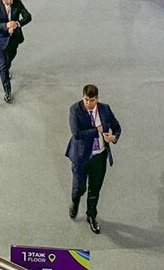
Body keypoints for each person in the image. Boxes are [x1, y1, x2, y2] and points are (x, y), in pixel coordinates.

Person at [65, 83, 120, 234]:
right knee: (79, 188)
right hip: (81, 157)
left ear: (97, 99)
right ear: (82, 97)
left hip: (99, 157)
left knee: (95, 189)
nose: (88, 103)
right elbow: (77, 134)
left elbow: (117, 126)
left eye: (92, 100)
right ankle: (75, 201)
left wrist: (114, 137)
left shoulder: (105, 109)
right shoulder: (75, 110)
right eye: (86, 100)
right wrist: (97, 131)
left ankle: (91, 215)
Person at [0, 0, 32, 104]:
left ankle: (6, 71)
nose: (10, 1)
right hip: (1, 41)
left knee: (10, 58)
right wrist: (6, 25)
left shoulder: (18, 3)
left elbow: (28, 16)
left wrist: (17, 24)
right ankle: (7, 91)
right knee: (3, 66)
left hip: (14, 39)